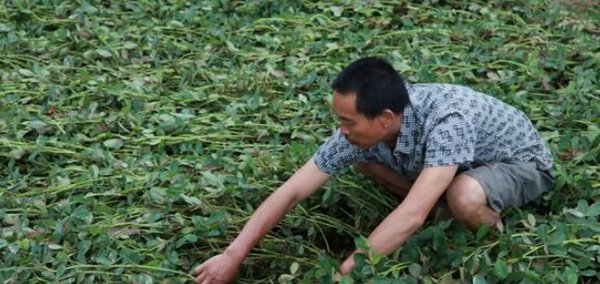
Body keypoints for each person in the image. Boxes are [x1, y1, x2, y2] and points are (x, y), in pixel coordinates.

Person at [193, 57, 555, 283]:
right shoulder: (365, 130)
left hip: (519, 163)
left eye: (348, 122)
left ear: (384, 118)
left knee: (464, 195)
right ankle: (440, 200)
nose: (341, 131)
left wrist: (343, 275)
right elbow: (293, 190)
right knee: (363, 157)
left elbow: (411, 215)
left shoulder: (449, 119)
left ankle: (488, 227)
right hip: (453, 164)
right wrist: (232, 255)